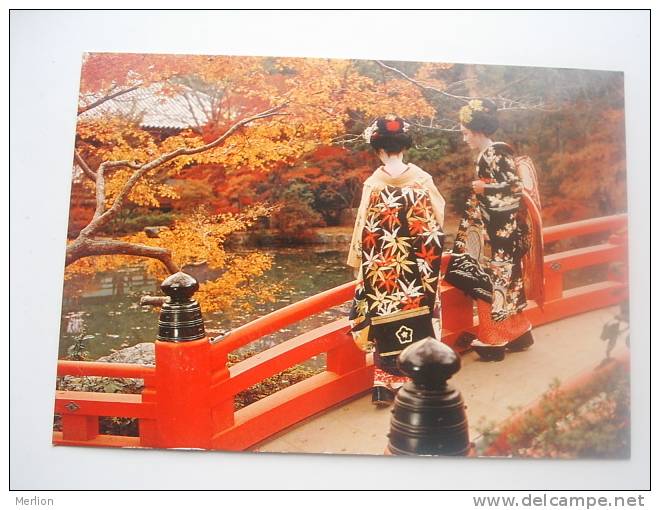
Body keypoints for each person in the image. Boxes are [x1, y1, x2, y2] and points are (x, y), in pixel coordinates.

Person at [347, 115, 446, 405]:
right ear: (405, 146)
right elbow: (437, 220)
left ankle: (384, 385)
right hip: (419, 267)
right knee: (424, 317)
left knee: (384, 321)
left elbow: (362, 228)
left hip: (384, 269)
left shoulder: (373, 184)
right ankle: (422, 379)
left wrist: (359, 265)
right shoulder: (421, 179)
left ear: (377, 148)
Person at [444, 99, 535, 362]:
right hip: (499, 231)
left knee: (489, 282)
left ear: (477, 130)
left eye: (465, 133)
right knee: (507, 281)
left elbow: (515, 188)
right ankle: (518, 332)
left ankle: (493, 339)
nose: (464, 139)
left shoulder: (497, 152)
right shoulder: (490, 153)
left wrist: (486, 190)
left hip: (499, 233)